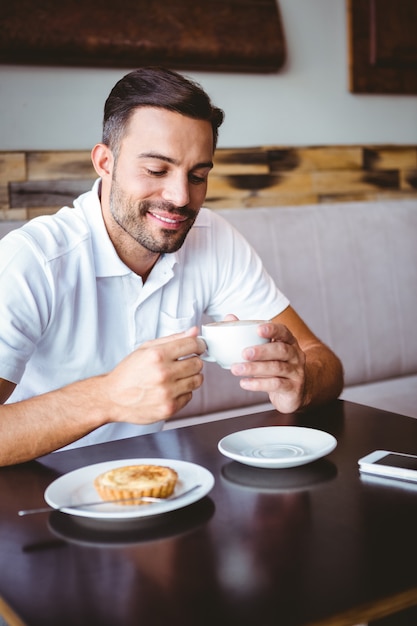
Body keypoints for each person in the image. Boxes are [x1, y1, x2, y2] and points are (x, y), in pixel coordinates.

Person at [0, 67, 343, 466]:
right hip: (27, 498)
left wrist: (301, 381)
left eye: (198, 176)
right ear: (105, 162)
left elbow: (323, 361)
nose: (181, 197)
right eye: (156, 170)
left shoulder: (214, 238)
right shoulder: (33, 261)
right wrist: (108, 396)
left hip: (148, 484)